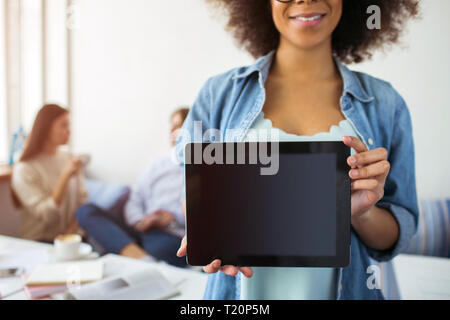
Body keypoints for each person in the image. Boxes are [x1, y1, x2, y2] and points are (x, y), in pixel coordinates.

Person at [176, 0, 419, 300]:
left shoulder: (386, 104)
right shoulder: (218, 94)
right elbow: (192, 188)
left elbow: (397, 233)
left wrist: (363, 212)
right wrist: (208, 229)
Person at [76, 107, 190, 267]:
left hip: (169, 234)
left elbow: (203, 216)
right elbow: (136, 198)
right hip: (141, 228)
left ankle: (128, 251)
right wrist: (140, 220)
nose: (172, 131)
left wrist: (170, 219)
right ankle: (143, 260)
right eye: (171, 127)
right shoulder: (157, 165)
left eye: (179, 126)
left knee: (165, 248)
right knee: (85, 211)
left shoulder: (202, 167)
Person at [12, 104, 87, 242]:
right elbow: (47, 215)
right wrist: (64, 177)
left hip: (72, 238)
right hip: (40, 240)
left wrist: (71, 233)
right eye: (63, 126)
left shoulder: (70, 158)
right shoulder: (24, 168)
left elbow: (82, 202)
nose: (69, 131)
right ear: (46, 129)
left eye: (69, 125)